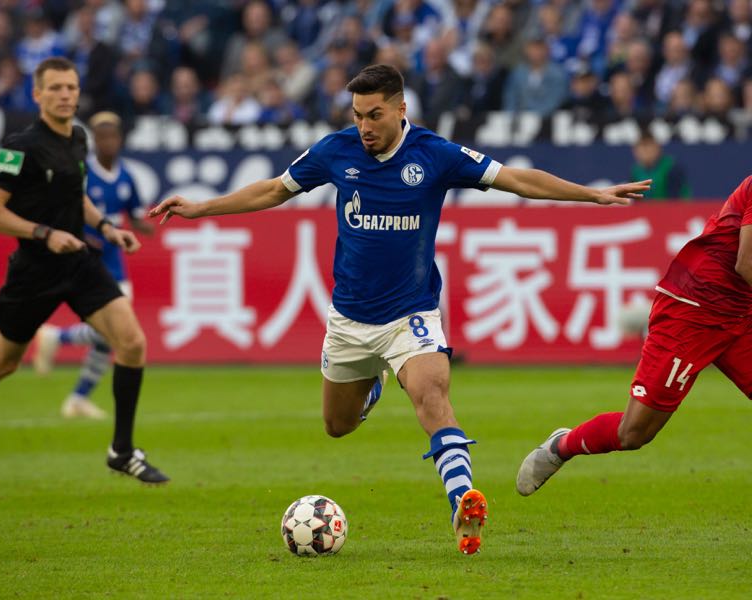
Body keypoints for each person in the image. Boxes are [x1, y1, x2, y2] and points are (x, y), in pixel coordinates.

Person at [149, 64, 649, 554]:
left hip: (411, 314)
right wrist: (201, 207)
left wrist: (591, 195)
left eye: (374, 115)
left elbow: (516, 179)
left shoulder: (434, 154)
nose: (364, 126)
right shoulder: (336, 150)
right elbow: (273, 189)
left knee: (433, 398)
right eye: (358, 115)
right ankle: (374, 386)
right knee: (336, 426)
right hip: (348, 319)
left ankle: (463, 503)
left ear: (400, 108)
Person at [0, 57, 168, 492]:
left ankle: (122, 451)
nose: (66, 94)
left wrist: (107, 228)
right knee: (3, 362)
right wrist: (43, 233)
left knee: (132, 342)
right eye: (55, 88)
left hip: (79, 261)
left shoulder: (79, 138)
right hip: (34, 271)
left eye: (71, 87)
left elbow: (78, 197)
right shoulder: (20, 146)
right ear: (37, 95)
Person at [516, 174, 752, 497]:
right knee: (634, 433)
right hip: (694, 309)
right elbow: (746, 263)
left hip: (741, 313)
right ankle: (563, 446)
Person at [32, 111, 153, 420]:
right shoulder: (85, 173)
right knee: (118, 334)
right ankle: (58, 339)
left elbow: (134, 212)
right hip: (87, 262)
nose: (109, 142)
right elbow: (68, 208)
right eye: (103, 137)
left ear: (120, 139)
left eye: (113, 136)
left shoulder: (126, 176)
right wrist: (88, 235)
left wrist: (145, 224)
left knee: (115, 337)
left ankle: (77, 396)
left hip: (116, 264)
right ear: (95, 141)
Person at [630, 130, 692, 199]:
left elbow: (676, 199)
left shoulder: (671, 167)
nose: (645, 152)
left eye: (648, 147)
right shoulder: (635, 171)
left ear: (657, 148)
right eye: (641, 147)